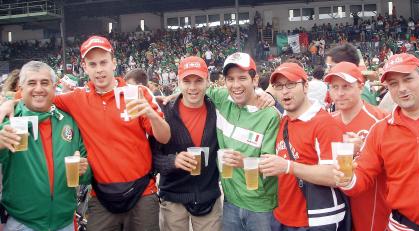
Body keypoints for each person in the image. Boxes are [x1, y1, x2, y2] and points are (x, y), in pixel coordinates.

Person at [0, 36, 171, 231]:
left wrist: (152, 115)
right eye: (92, 64)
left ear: (114, 63)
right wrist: (10, 102)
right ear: (84, 66)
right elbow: (40, 96)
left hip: (142, 192)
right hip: (102, 196)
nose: (99, 69)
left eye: (104, 62)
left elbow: (164, 137)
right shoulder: (76, 99)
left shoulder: (138, 93)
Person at [335, 53, 419, 230]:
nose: (402, 88)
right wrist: (346, 177)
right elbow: (362, 176)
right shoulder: (381, 130)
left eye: (408, 79)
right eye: (394, 83)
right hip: (401, 226)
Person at [0, 61, 90, 231]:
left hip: (65, 223)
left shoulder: (69, 121)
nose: (39, 89)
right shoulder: (8, 119)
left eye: (45, 82)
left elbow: (87, 170)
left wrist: (84, 170)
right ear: (21, 87)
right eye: (32, 83)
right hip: (23, 224)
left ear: (54, 86)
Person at [260, 62, 350, 230]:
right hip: (282, 217)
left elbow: (337, 176)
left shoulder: (325, 124)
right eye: (279, 86)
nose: (284, 91)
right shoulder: (284, 121)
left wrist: (288, 166)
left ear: (306, 86)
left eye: (291, 84)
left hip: (314, 220)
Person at [209, 52, 280, 231]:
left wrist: (243, 163)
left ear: (255, 80)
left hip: (261, 207)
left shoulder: (270, 115)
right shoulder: (223, 99)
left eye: (242, 78)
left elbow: (274, 165)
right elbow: (194, 88)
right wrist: (168, 98)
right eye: (230, 79)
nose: (236, 85)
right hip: (231, 203)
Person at [151, 56, 222, 231]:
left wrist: (264, 95)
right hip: (173, 198)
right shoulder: (165, 112)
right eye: (187, 81)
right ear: (178, 81)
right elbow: (151, 157)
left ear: (207, 81)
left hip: (208, 198)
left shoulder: (218, 110)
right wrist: (172, 161)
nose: (192, 87)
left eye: (198, 81)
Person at [323, 61, 390, 231]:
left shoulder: (381, 119)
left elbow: (398, 163)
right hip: (337, 207)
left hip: (371, 208)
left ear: (360, 87)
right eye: (334, 87)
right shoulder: (327, 123)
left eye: (346, 87)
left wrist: (365, 149)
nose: (339, 93)